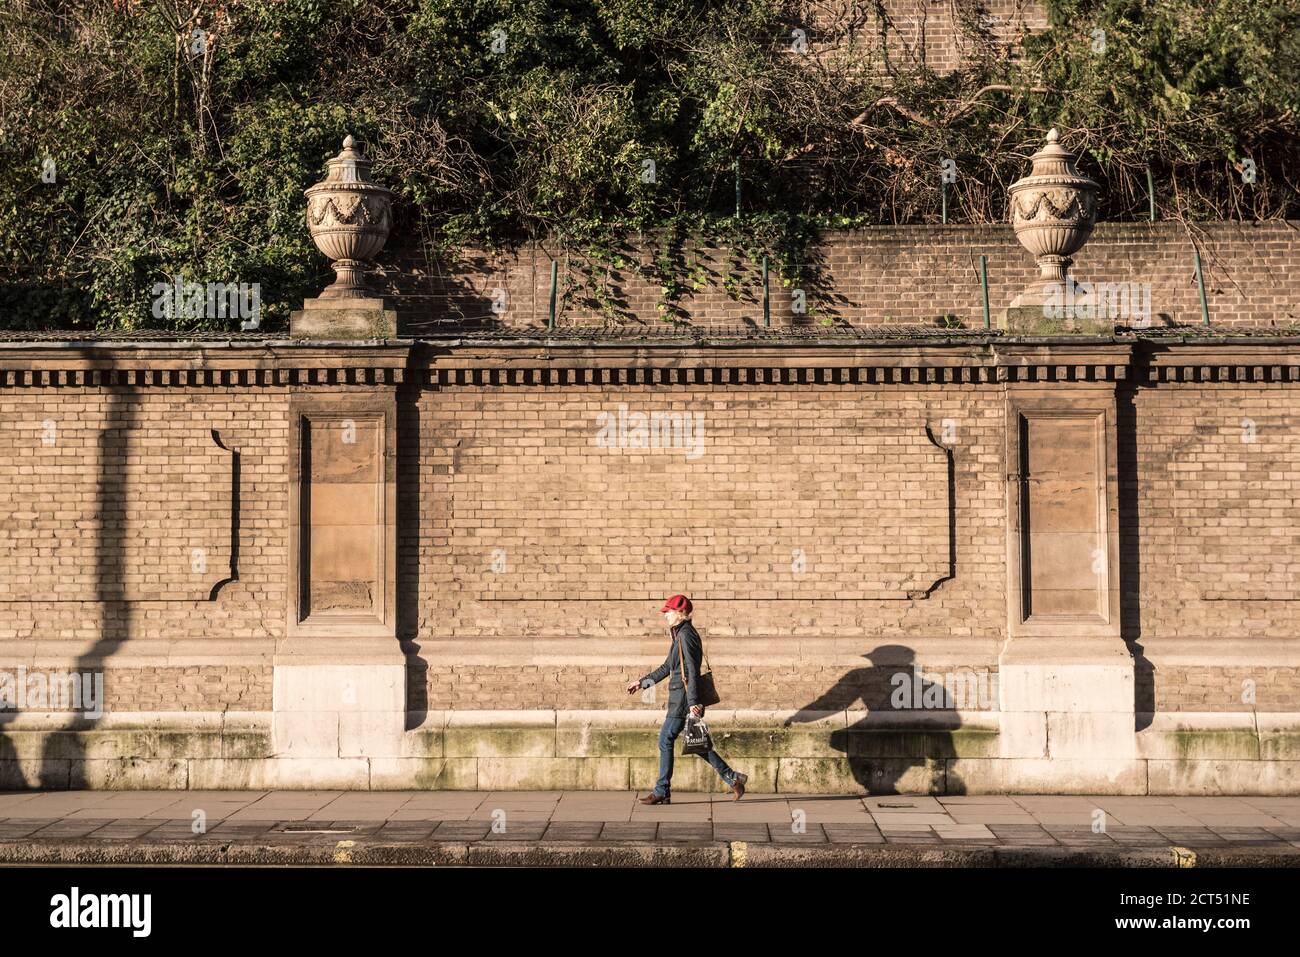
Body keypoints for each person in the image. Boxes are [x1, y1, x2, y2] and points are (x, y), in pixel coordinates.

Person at [626, 594, 747, 804]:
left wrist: (693, 703)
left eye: (669, 612)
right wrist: (642, 683)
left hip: (683, 698)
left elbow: (690, 670)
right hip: (681, 696)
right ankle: (733, 778)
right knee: (697, 743)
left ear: (680, 613)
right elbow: (667, 667)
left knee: (665, 739)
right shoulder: (679, 635)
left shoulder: (685, 635)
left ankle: (662, 791)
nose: (666, 616)